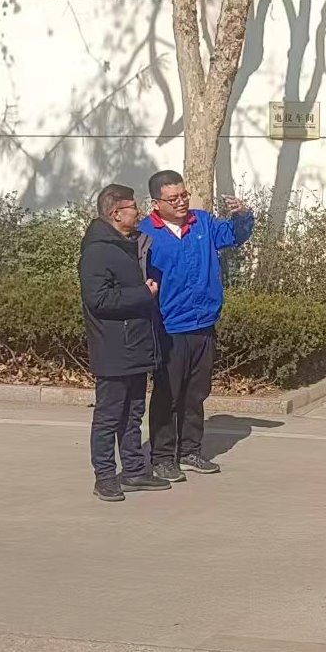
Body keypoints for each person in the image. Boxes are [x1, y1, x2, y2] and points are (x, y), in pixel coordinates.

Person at [138, 170, 254, 482]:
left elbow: (235, 235)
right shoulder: (145, 234)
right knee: (168, 394)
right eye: (172, 198)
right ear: (156, 202)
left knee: (196, 392)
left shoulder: (202, 223)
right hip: (169, 327)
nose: (181, 202)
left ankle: (190, 450)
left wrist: (242, 215)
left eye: (184, 195)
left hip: (203, 323)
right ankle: (162, 457)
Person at [79, 184, 172, 502]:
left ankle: (134, 469)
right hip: (114, 346)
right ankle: (104, 476)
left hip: (137, 344)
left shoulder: (129, 244)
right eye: (133, 207)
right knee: (109, 415)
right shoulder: (97, 251)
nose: (139, 212)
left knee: (133, 412)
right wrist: (143, 293)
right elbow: (98, 300)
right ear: (116, 213)